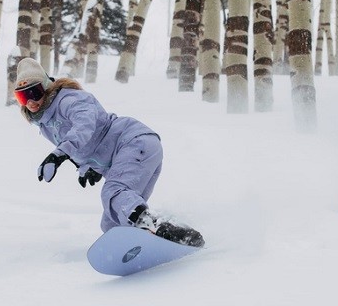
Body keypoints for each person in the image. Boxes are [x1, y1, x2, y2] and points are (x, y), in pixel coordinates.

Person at [13, 58, 204, 247]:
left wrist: (59, 154)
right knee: (112, 222)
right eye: (22, 96)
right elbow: (87, 146)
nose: (30, 101)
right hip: (137, 150)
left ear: (46, 87)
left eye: (34, 92)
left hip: (133, 142)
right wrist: (88, 167)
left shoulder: (69, 99)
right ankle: (164, 238)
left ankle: (158, 225)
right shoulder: (46, 123)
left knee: (113, 193)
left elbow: (85, 125)